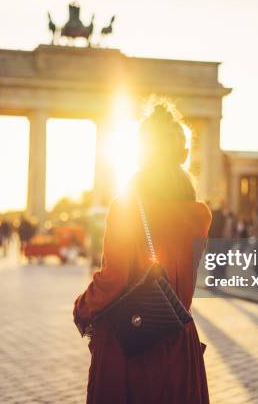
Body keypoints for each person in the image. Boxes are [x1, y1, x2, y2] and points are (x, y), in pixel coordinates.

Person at [73, 101, 211, 403]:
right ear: (184, 154)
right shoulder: (200, 215)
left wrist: (82, 307)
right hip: (177, 339)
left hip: (129, 344)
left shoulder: (126, 207)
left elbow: (113, 278)